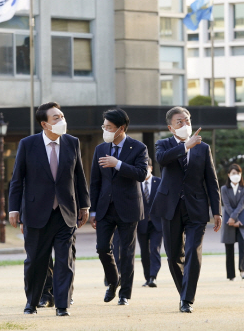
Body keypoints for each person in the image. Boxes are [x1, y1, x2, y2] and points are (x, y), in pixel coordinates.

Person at [8, 102, 90, 317]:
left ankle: (62, 305)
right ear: (44, 124)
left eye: (62, 116)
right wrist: (14, 209)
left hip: (66, 213)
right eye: (56, 117)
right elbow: (17, 180)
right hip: (36, 213)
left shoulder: (72, 142)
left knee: (65, 260)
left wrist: (84, 205)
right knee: (36, 261)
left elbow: (79, 176)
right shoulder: (28, 144)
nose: (62, 120)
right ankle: (32, 303)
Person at [151, 106, 222, 314]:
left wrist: (216, 211)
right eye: (179, 121)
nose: (185, 124)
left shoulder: (203, 148)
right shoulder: (162, 144)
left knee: (192, 250)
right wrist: (185, 147)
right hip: (170, 208)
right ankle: (184, 292)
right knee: (173, 256)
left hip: (196, 209)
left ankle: (187, 299)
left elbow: (211, 180)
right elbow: (162, 160)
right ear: (171, 127)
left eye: (187, 120)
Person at [89, 108, 148, 306]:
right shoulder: (100, 149)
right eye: (103, 126)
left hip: (129, 207)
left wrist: (118, 164)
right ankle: (114, 281)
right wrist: (93, 211)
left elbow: (141, 174)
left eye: (109, 127)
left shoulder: (138, 147)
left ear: (121, 128)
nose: (105, 130)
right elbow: (95, 182)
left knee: (127, 252)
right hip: (105, 208)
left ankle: (125, 294)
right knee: (102, 248)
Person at [220, 164, 244, 281]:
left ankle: (243, 271)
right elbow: (226, 205)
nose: (235, 175)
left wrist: (235, 219)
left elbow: (242, 205)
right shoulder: (224, 189)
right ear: (228, 175)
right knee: (229, 247)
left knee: (243, 246)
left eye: (237, 173)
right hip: (228, 220)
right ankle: (231, 275)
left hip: (240, 221)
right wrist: (231, 220)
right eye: (233, 173)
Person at [137, 158, 162, 288]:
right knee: (144, 252)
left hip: (157, 223)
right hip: (141, 223)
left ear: (151, 168)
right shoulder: (135, 183)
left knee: (154, 249)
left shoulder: (159, 182)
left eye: (146, 167)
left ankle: (153, 277)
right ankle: (147, 277)